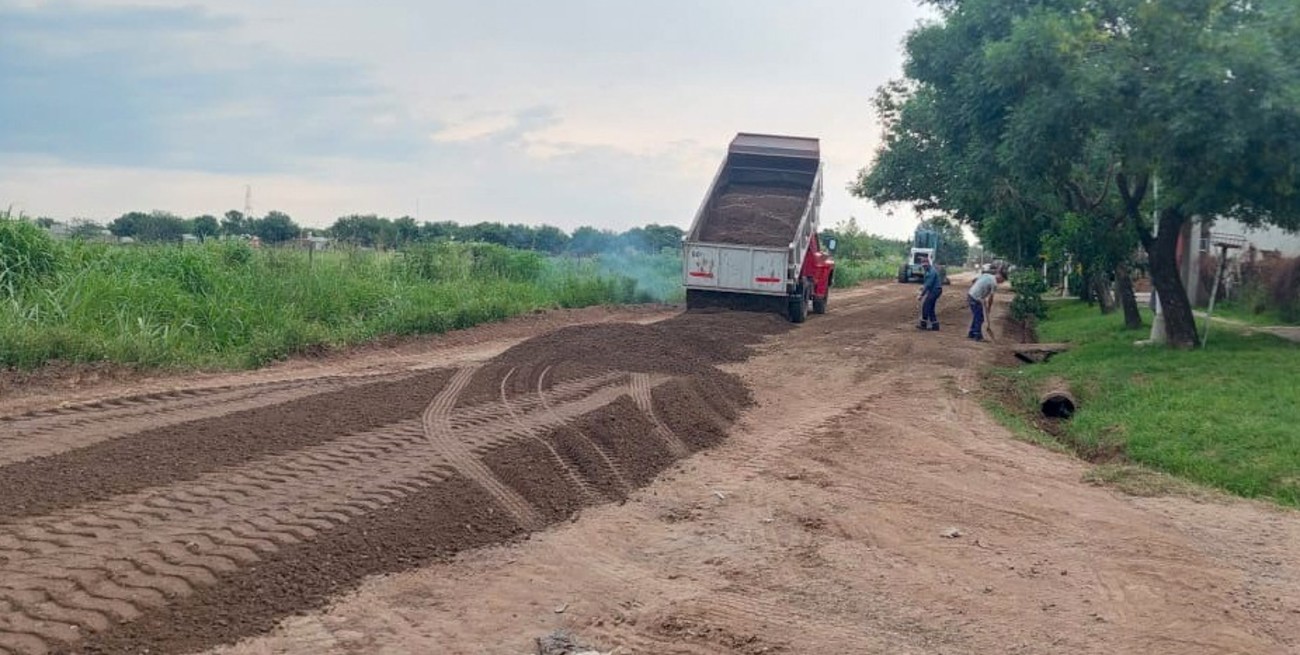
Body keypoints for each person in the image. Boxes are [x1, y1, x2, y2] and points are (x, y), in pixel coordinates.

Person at [967, 267, 1007, 341]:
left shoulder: (986, 275)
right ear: (1000, 277)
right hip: (975, 298)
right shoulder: (994, 283)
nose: (1001, 282)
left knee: (977, 316)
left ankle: (971, 333)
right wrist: (989, 308)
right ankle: (978, 336)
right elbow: (991, 298)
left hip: (970, 295)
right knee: (979, 318)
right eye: (1002, 281)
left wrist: (981, 294)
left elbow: (974, 280)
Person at [917, 259, 942, 331]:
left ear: (928, 264)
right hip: (935, 290)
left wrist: (921, 295)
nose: (924, 267)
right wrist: (922, 287)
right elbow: (926, 283)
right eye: (923, 266)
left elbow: (928, 285)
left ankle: (923, 325)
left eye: (925, 265)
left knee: (926, 306)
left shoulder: (932, 272)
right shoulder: (928, 271)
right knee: (930, 308)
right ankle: (935, 326)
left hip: (935, 290)